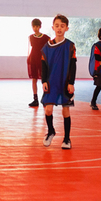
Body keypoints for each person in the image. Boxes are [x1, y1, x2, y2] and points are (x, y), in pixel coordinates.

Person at [41, 14, 76, 149]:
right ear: (53, 28)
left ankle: (67, 139)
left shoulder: (70, 46)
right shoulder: (47, 47)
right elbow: (43, 65)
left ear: (67, 28)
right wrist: (44, 80)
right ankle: (51, 131)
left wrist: (71, 82)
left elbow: (73, 65)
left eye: (62, 26)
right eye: (57, 26)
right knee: (48, 110)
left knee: (65, 111)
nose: (59, 28)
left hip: (65, 82)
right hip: (51, 82)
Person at [26, 18, 50, 108]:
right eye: (33, 26)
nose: (35, 28)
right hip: (33, 59)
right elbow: (30, 49)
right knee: (34, 79)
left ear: (40, 27)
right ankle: (35, 99)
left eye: (37, 26)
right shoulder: (30, 37)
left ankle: (45, 98)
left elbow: (48, 49)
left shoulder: (46, 37)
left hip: (42, 60)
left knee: (44, 79)